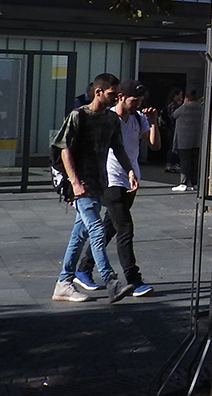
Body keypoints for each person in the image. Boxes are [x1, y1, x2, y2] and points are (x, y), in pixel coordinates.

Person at [51, 72, 137, 303]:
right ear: (98, 92)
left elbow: (118, 147)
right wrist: (75, 182)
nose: (115, 98)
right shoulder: (79, 116)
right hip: (82, 184)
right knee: (97, 230)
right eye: (111, 94)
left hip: (98, 183)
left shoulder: (110, 120)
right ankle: (111, 281)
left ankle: (64, 282)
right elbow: (64, 148)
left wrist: (129, 171)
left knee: (79, 235)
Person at [75, 79, 159, 297]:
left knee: (109, 228)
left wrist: (154, 123)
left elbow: (154, 145)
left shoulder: (138, 119)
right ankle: (133, 278)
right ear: (121, 97)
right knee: (125, 229)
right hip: (111, 180)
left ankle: (84, 268)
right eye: (134, 99)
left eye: (141, 100)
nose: (138, 104)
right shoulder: (109, 119)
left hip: (131, 180)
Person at [171, 90, 203, 192]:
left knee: (185, 162)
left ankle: (183, 183)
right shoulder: (201, 108)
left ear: (187, 98)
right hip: (197, 139)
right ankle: (195, 183)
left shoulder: (184, 108)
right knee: (195, 162)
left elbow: (174, 115)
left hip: (184, 140)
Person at [161, 88, 182, 173]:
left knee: (171, 146)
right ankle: (170, 164)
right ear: (175, 96)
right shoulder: (174, 105)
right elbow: (173, 117)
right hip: (172, 128)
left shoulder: (169, 104)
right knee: (172, 147)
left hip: (169, 127)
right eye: (180, 95)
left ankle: (170, 164)